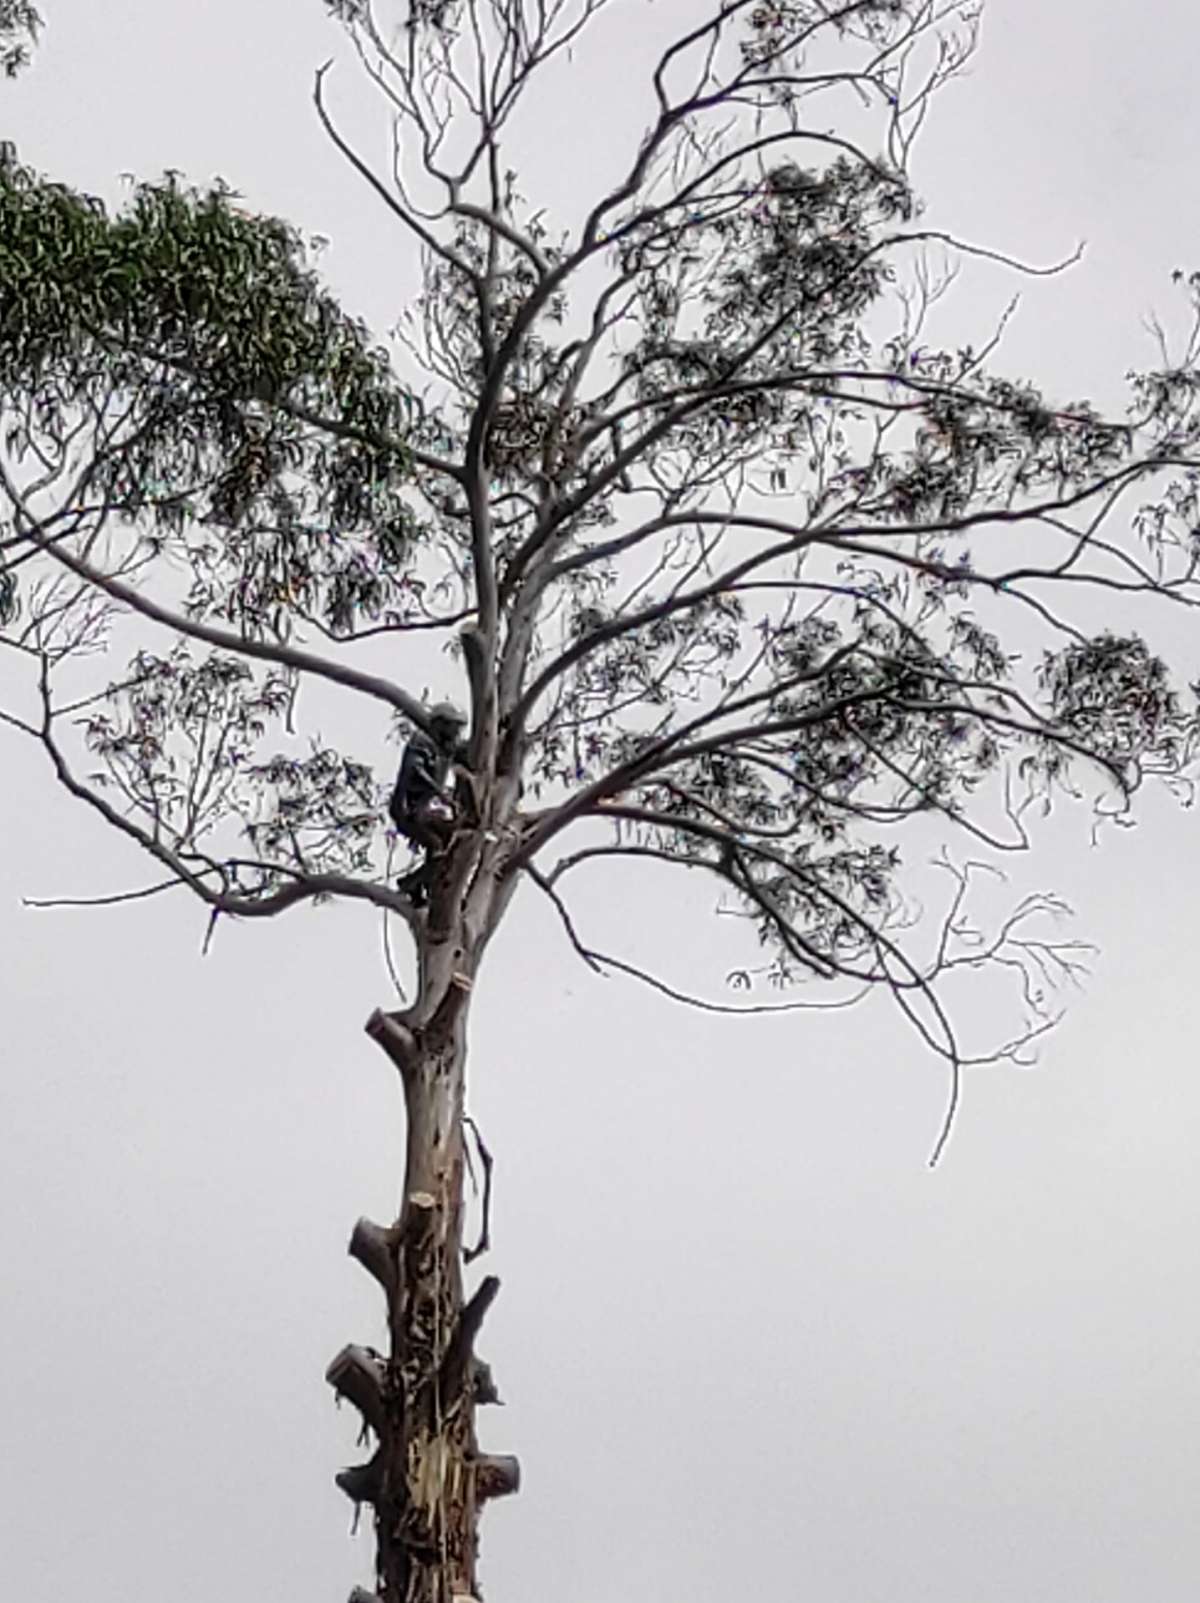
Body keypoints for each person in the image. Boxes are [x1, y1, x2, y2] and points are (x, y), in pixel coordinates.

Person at [388, 701, 468, 904]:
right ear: (441, 723)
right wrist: (441, 794)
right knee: (438, 846)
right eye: (453, 725)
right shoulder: (421, 741)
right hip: (408, 808)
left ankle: (425, 889)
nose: (457, 731)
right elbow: (414, 770)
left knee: (451, 840)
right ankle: (411, 882)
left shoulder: (446, 747)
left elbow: (467, 754)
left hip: (424, 807)